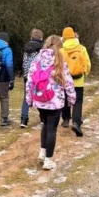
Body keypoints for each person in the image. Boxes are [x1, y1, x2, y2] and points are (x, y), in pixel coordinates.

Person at [25, 35, 77, 170]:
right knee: (52, 129)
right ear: (59, 46)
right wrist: (72, 99)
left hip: (40, 99)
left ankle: (42, 152)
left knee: (45, 125)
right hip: (55, 101)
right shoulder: (59, 59)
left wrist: (29, 99)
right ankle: (48, 160)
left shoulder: (37, 58)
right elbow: (68, 82)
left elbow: (30, 81)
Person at [60, 27, 91, 137]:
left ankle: (65, 119)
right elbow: (87, 64)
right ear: (73, 35)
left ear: (63, 37)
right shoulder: (81, 48)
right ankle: (76, 122)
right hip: (78, 80)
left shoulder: (61, 50)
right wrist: (83, 75)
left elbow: (57, 66)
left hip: (65, 81)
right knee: (78, 101)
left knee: (65, 99)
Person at [21, 29, 44, 128]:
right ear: (41, 38)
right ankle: (43, 118)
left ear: (31, 37)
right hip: (38, 76)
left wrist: (25, 74)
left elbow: (24, 62)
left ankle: (24, 119)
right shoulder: (42, 49)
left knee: (26, 97)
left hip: (27, 75)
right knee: (40, 96)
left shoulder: (26, 48)